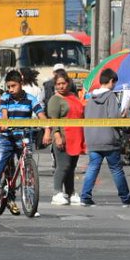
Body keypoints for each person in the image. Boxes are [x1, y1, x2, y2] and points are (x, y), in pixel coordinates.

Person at [0, 71, 45, 216]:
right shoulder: (5, 98)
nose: (10, 89)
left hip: (24, 138)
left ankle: (30, 204)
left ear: (20, 84)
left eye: (13, 86)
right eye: (8, 86)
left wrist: (47, 130)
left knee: (27, 170)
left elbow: (42, 116)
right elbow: (4, 114)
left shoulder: (31, 99)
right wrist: (4, 123)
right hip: (7, 138)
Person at [79, 67, 130, 206]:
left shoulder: (91, 97)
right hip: (109, 139)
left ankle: (85, 196)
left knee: (92, 168)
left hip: (93, 139)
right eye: (114, 83)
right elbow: (113, 117)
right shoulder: (110, 96)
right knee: (116, 169)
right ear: (111, 81)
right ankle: (125, 197)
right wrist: (122, 118)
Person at [45, 73, 86, 206]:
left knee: (71, 167)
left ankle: (70, 192)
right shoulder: (55, 100)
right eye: (58, 84)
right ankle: (57, 193)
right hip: (63, 136)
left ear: (68, 83)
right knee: (63, 166)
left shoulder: (73, 96)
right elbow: (53, 120)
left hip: (76, 136)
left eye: (63, 83)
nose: (61, 86)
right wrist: (57, 136)